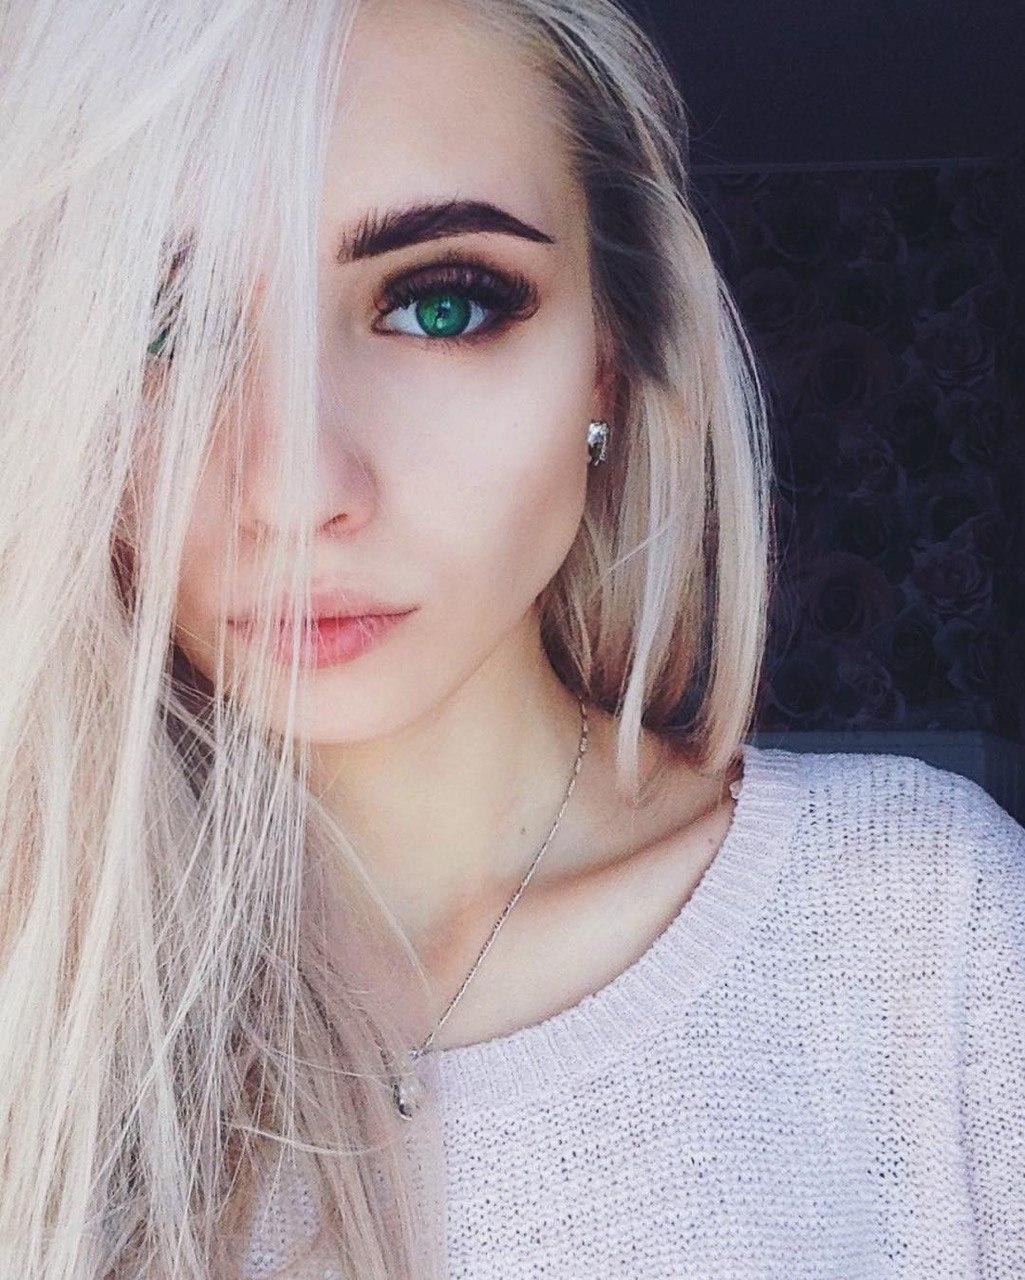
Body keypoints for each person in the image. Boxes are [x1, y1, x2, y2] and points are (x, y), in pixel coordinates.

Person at [1, 0, 1022, 1276]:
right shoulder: (38, 989)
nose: (296, 488)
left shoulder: (922, 936)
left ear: (607, 355)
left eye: (440, 306)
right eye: (155, 327)